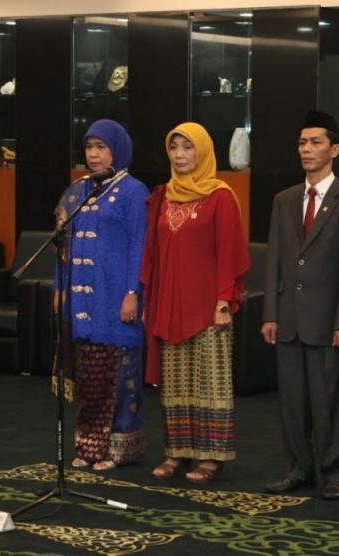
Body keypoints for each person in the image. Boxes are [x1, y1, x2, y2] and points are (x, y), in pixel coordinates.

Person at [261, 110, 339, 501]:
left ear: (335, 149)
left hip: (329, 323)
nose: (306, 150)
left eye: (315, 143)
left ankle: (333, 471)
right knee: (291, 402)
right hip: (289, 320)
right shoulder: (284, 200)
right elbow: (274, 258)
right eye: (302, 143)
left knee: (330, 403)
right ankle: (297, 469)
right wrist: (270, 314)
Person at [141, 122, 249, 484]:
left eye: (188, 148)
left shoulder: (220, 196)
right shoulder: (164, 196)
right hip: (170, 303)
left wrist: (223, 301)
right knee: (175, 383)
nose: (180, 155)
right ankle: (177, 452)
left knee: (210, 382)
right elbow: (152, 254)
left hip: (207, 306)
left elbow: (231, 252)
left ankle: (211, 456)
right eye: (174, 148)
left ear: (202, 151)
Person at [53, 119, 149, 471]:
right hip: (83, 301)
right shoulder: (77, 191)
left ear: (117, 150)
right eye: (89, 148)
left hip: (116, 297)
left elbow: (140, 247)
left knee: (119, 373)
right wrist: (61, 287)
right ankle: (89, 445)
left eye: (101, 148)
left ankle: (120, 448)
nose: (93, 155)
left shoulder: (134, 191)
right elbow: (62, 245)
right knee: (90, 374)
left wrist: (132, 293)